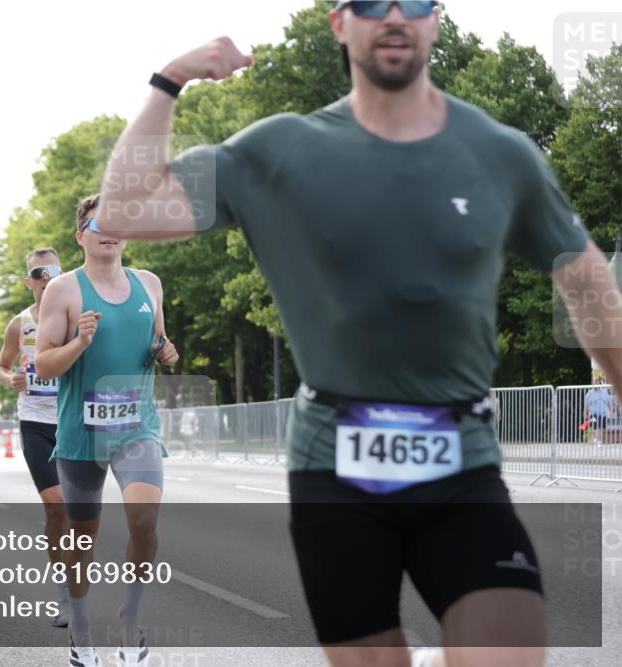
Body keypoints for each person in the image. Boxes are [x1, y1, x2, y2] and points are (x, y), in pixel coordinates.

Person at [96, 2, 622, 665]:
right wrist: (169, 79)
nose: (394, 15)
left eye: (416, 3)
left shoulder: (499, 153)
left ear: (437, 22)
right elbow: (122, 209)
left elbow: (586, 279)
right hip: (333, 469)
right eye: (372, 3)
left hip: (460, 461)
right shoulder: (278, 151)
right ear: (341, 23)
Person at [35, 194, 179, 667]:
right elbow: (44, 364)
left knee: (144, 519)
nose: (112, 230)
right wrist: (79, 340)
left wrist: (165, 352)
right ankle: (80, 626)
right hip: (81, 433)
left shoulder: (149, 284)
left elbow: (157, 341)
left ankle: (131, 620)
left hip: (137, 426)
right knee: (83, 536)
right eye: (100, 223)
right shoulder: (64, 291)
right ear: (82, 235)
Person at [0, 246, 72, 628]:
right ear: (29, 281)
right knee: (56, 506)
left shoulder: (74, 315)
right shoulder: (19, 323)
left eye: (52, 271)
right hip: (36, 422)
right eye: (38, 273)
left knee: (79, 512)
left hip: (73, 421)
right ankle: (65, 594)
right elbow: (0, 365)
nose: (46, 278)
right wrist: (11, 379)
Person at [584, 380, 614, 447]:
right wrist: (585, 415)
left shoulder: (604, 392)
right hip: (593, 413)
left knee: (602, 427)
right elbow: (586, 405)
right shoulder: (590, 394)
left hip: (603, 413)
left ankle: (597, 439)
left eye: (597, 383)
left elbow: (609, 403)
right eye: (595, 383)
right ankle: (598, 441)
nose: (596, 385)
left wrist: (611, 411)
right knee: (598, 425)